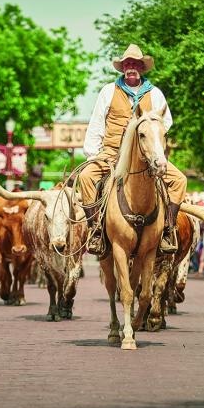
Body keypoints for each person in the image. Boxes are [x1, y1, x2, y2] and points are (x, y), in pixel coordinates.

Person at [78, 44, 187, 255]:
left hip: (146, 156)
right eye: (127, 64)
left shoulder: (155, 94)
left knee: (179, 180)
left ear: (141, 68)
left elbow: (166, 123)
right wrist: (93, 154)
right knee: (85, 177)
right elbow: (97, 123)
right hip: (111, 153)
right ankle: (96, 231)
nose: (131, 67)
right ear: (122, 68)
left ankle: (167, 229)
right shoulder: (108, 91)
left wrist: (152, 146)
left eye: (135, 64)